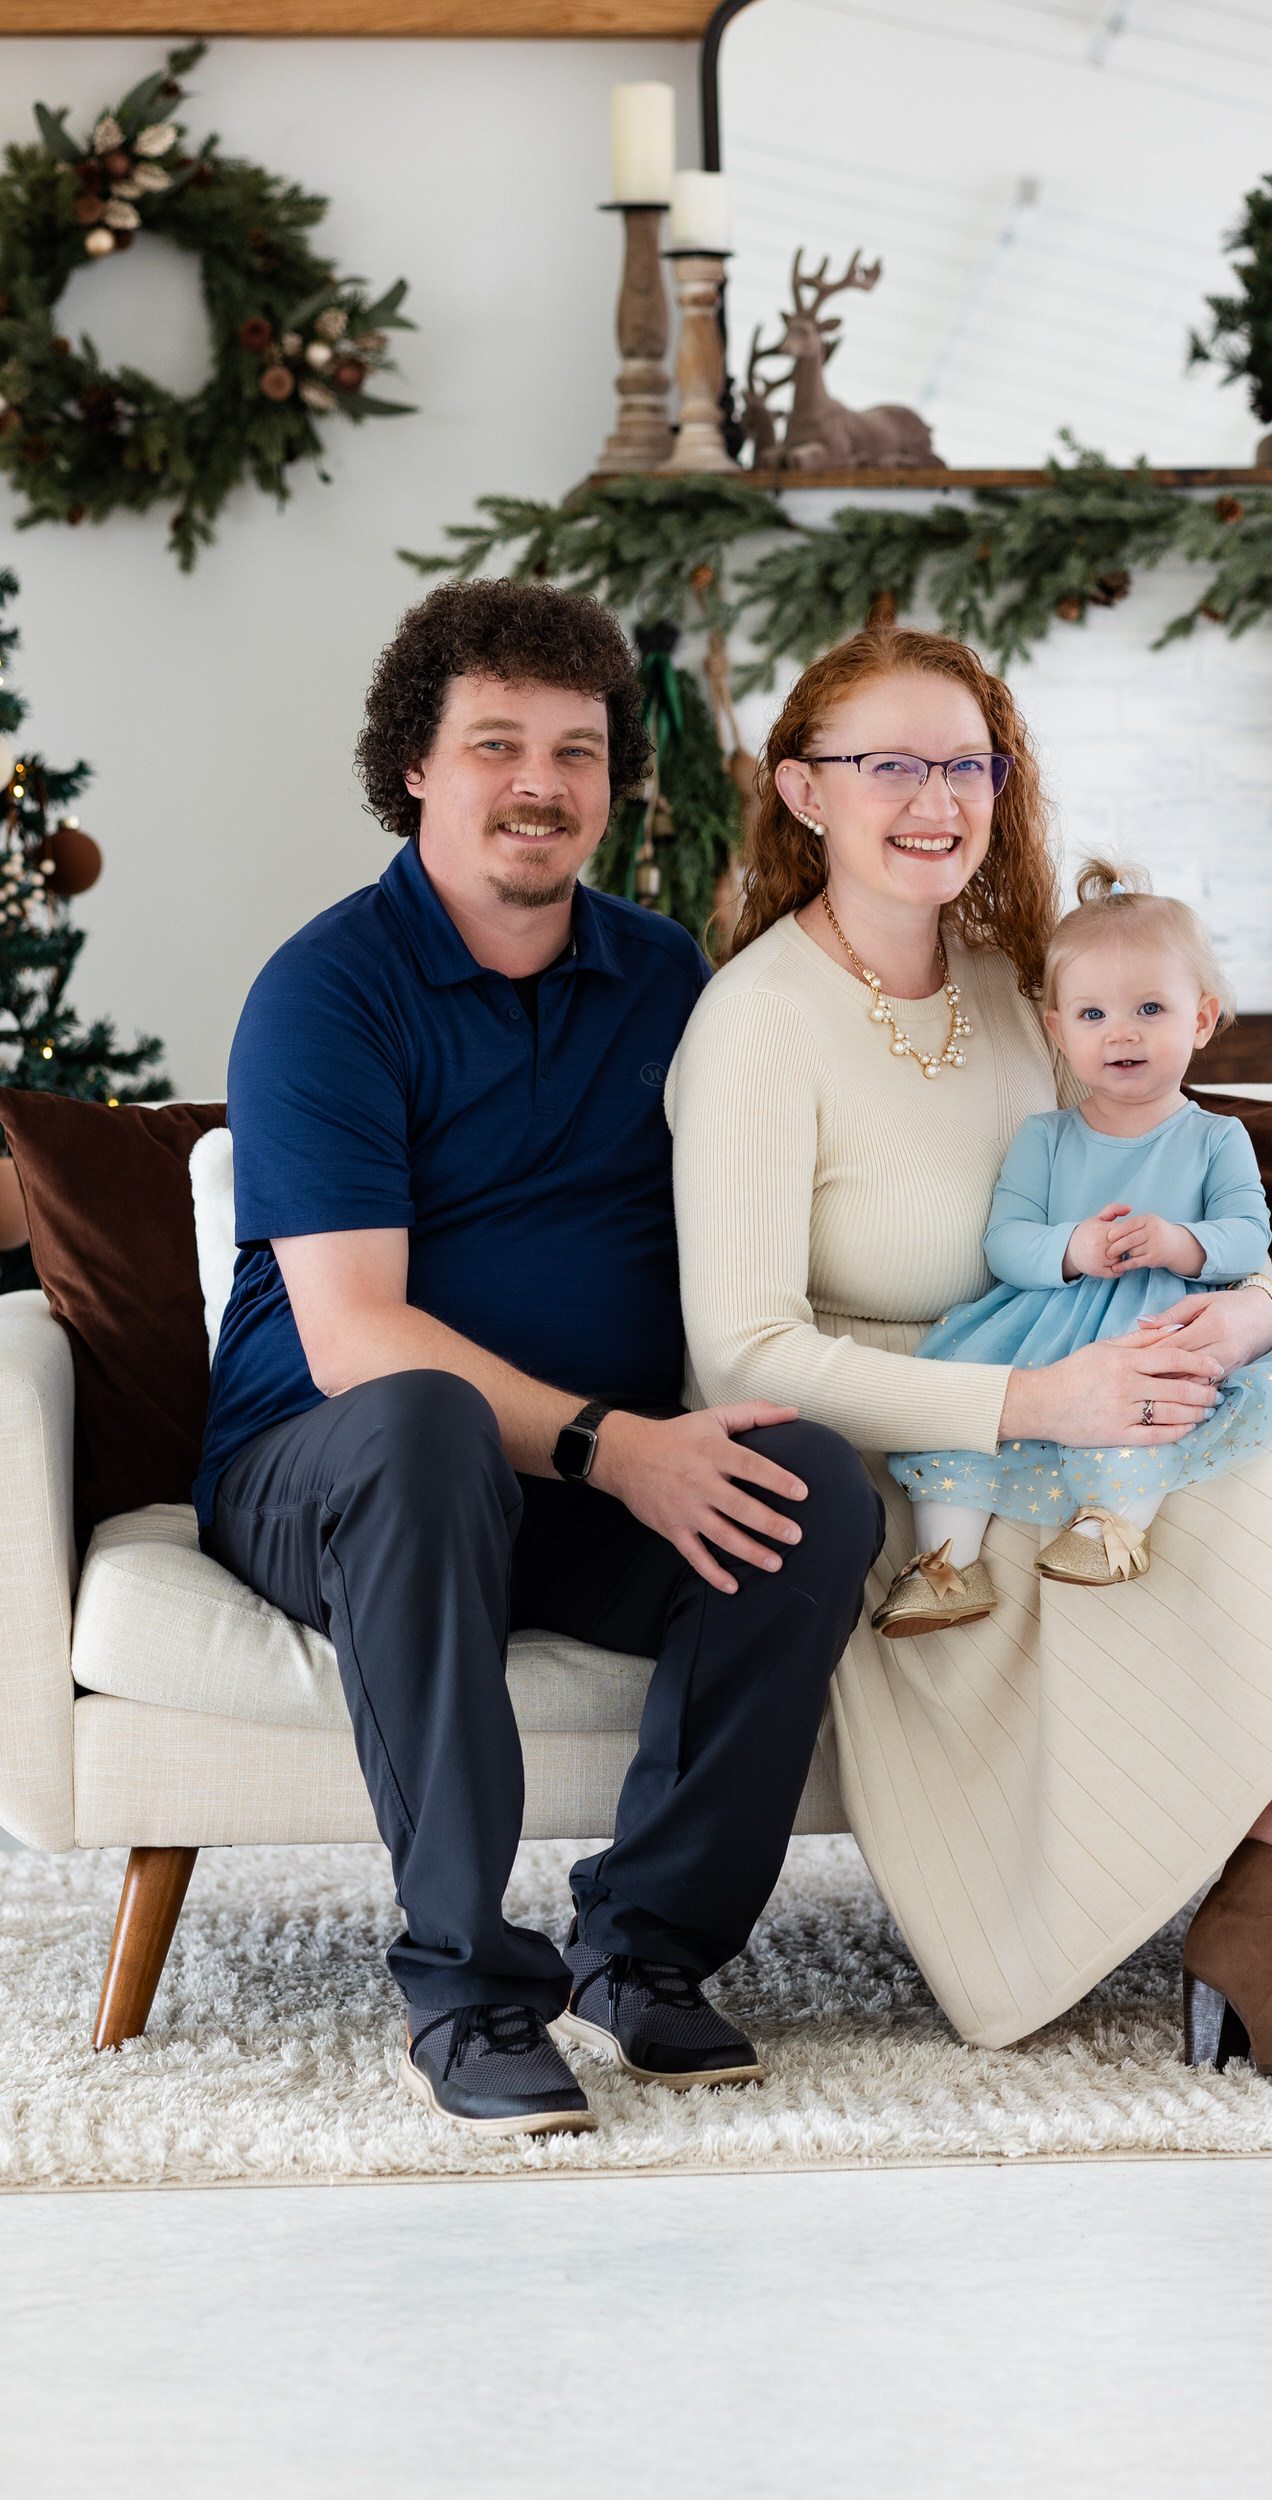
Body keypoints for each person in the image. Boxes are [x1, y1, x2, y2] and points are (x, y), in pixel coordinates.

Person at [667, 624, 1272, 2085]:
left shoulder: (1021, 982)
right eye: (885, 763)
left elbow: (1169, 1202)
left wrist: (1249, 1314)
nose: (935, 797)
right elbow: (740, 1355)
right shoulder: (753, 1024)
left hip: (1091, 1409)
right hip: (918, 1474)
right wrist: (1038, 1395)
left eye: (964, 761)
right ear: (801, 794)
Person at [196, 581, 882, 2137]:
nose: (538, 784)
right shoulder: (325, 994)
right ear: (415, 770)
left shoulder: (666, 986)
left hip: (572, 1492)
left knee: (809, 1488)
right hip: (337, 1474)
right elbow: (354, 1334)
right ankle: (464, 1986)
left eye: (574, 751)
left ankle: (643, 1954)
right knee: (426, 1419)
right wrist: (618, 1447)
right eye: (494, 743)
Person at [879, 857, 1272, 1633]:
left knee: (1155, 1403)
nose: (1120, 1032)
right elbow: (1005, 1242)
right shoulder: (1042, 1138)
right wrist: (1073, 1247)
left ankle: (1107, 1529)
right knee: (964, 1397)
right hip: (1043, 1324)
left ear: (1201, 1019)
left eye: (1150, 1008)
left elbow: (1249, 1234)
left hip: (1159, 1318)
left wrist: (1180, 1242)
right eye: (1090, 1015)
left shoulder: (1217, 1137)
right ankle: (945, 1564)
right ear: (1056, 1029)